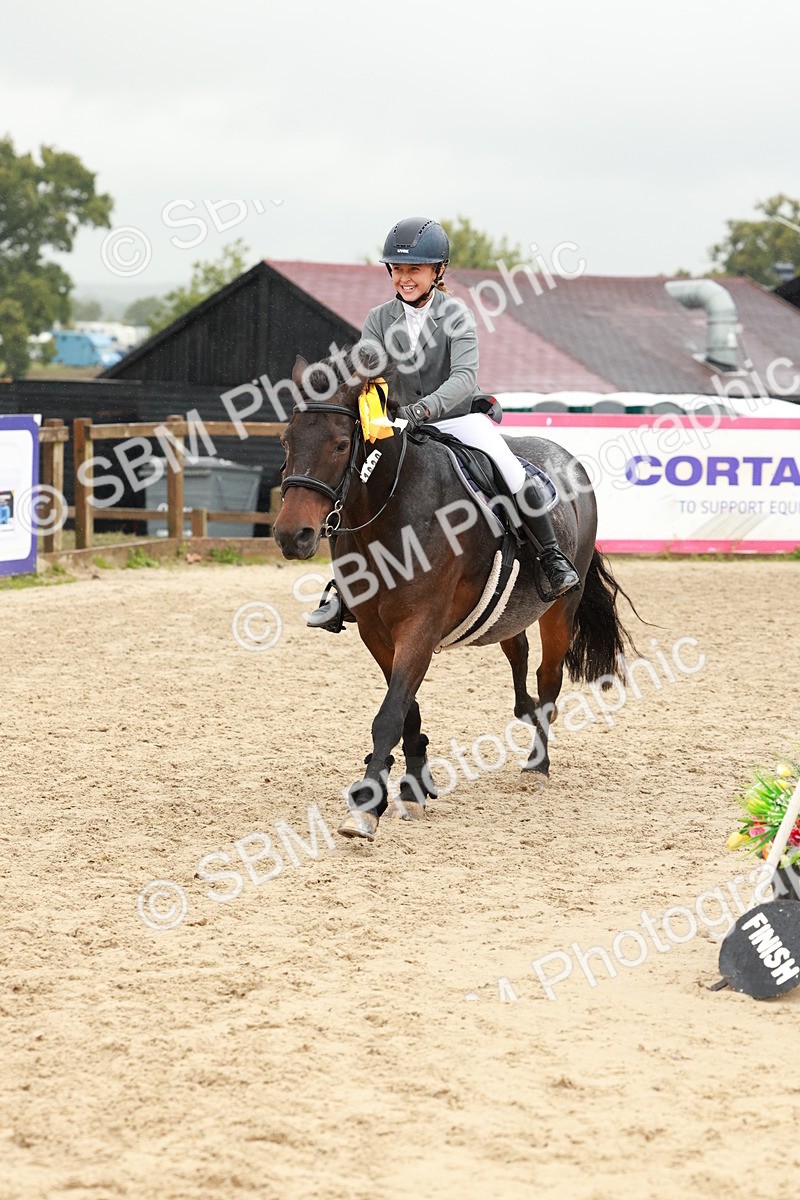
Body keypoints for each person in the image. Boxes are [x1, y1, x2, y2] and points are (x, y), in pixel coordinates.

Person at [308, 216, 580, 630]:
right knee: (356, 478)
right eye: (398, 269)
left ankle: (551, 558)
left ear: (437, 272)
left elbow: (464, 379)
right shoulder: (379, 318)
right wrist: (373, 413)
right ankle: (346, 586)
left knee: (507, 466)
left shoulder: (456, 315)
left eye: (413, 269)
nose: (404, 278)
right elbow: (370, 373)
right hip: (397, 425)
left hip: (454, 420)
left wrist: (422, 411)